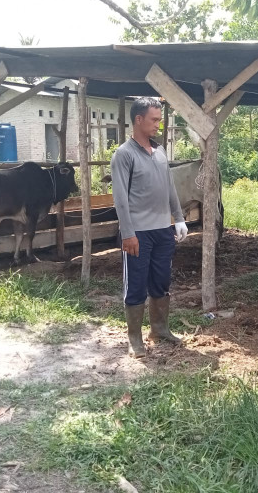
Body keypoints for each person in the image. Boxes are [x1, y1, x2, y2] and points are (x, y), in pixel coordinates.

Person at [110, 97, 188, 358]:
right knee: (135, 285)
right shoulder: (124, 155)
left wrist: (178, 218)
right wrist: (128, 233)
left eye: (159, 120)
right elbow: (120, 198)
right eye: (154, 120)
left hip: (163, 230)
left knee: (161, 281)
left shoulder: (160, 151)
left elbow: (169, 187)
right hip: (138, 233)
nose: (158, 124)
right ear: (138, 119)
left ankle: (160, 329)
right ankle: (135, 339)